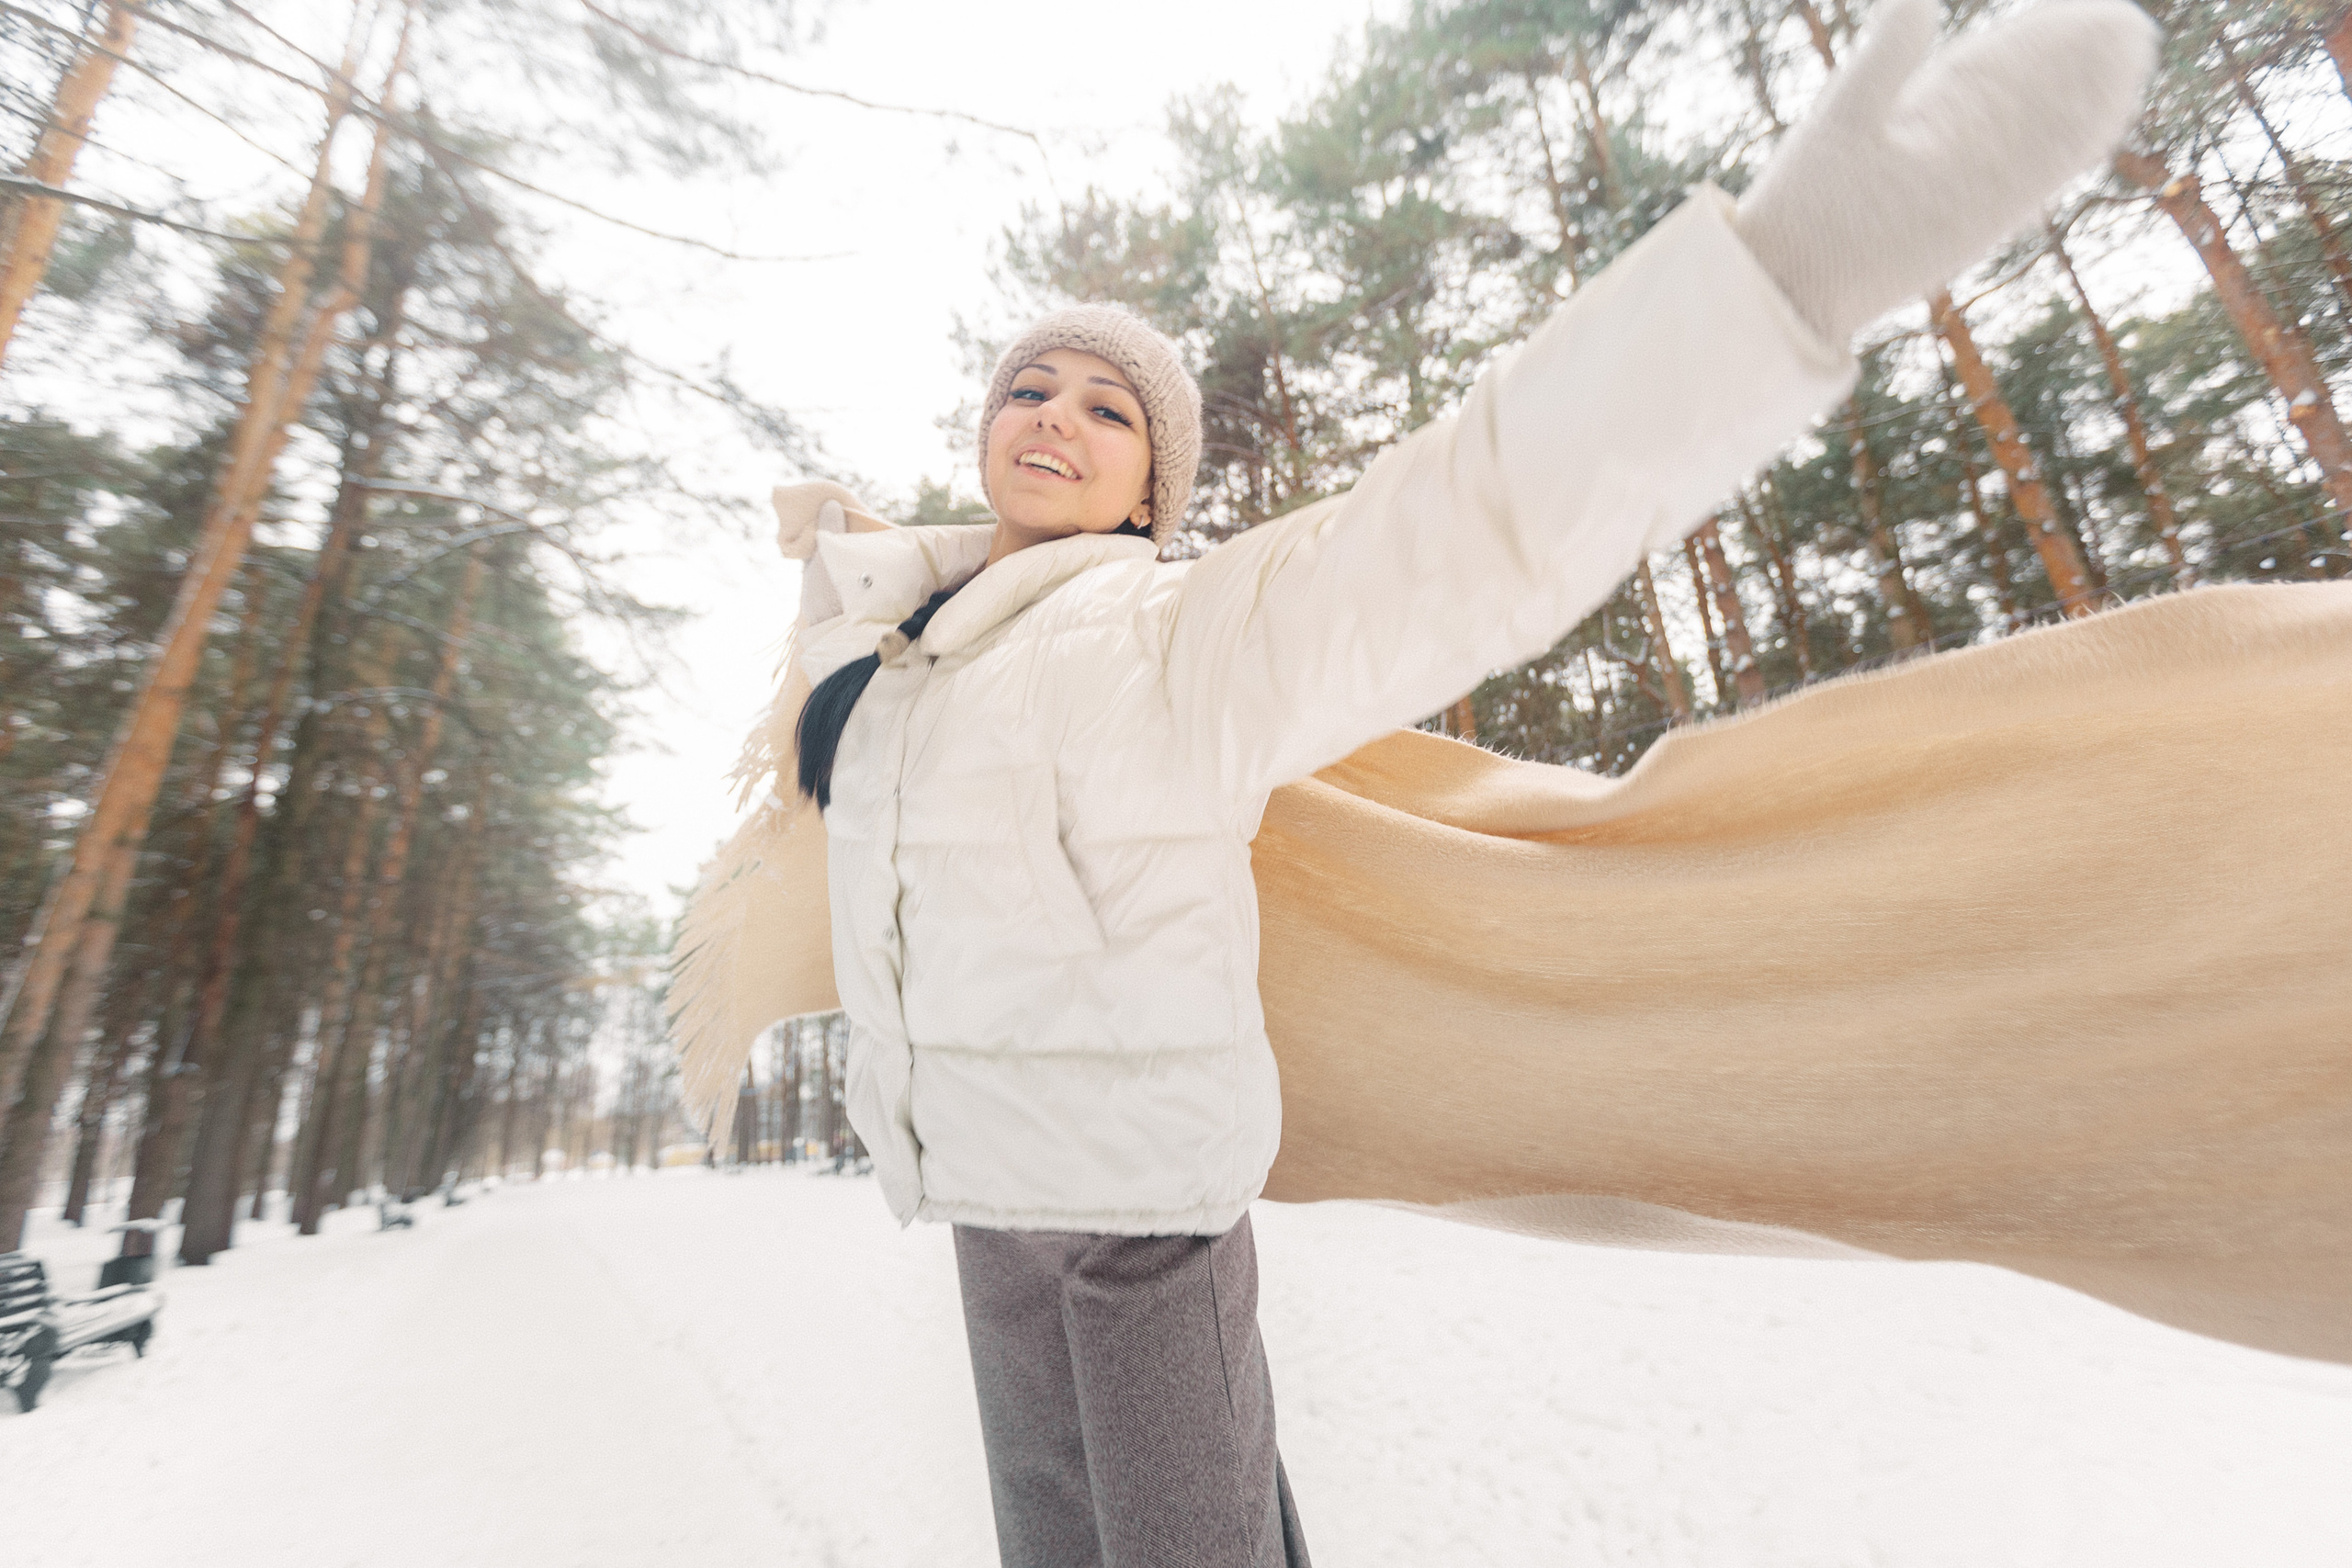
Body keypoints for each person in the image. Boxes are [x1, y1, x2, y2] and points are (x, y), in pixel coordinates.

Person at [749, 3, 2159, 1562]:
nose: (1057, 421)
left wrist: (1778, 279)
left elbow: (1451, 530)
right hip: (980, 1201)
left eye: (1109, 409)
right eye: (1031, 390)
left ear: (1158, 486)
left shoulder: (1177, 632)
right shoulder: (893, 663)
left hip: (1141, 1216)